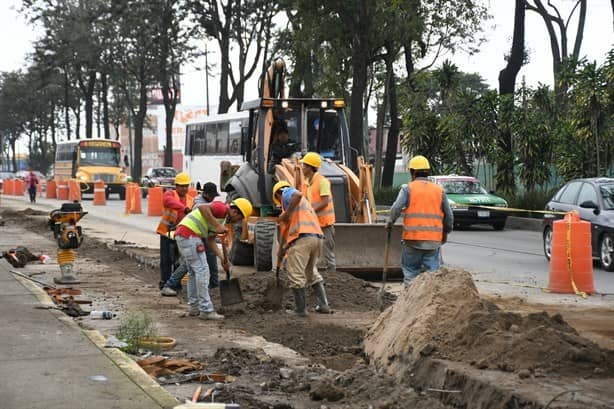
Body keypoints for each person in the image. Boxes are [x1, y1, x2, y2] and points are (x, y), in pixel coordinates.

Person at [174, 198, 253, 320]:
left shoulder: (222, 218)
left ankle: (194, 308)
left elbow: (211, 240)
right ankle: (206, 310)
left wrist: (222, 258)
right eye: (240, 219)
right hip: (189, 235)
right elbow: (202, 207)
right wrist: (217, 225)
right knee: (202, 271)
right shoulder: (222, 208)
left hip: (184, 235)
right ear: (236, 212)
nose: (238, 222)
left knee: (194, 273)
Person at [386, 155, 453, 286]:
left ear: (412, 172)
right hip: (433, 241)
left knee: (410, 273)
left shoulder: (408, 188)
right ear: (428, 172)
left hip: (412, 239)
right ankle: (432, 302)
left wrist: (390, 223)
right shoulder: (439, 190)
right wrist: (446, 232)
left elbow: (396, 208)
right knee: (433, 275)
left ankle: (410, 302)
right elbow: (449, 216)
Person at [273, 181, 331, 316]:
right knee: (310, 272)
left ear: (277, 194)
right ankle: (323, 305)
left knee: (296, 273)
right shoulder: (296, 210)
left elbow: (298, 194)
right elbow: (284, 232)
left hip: (302, 239)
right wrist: (281, 250)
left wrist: (286, 213)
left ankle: (300, 310)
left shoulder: (286, 192)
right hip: (316, 238)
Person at [161, 182, 221, 295]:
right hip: (193, 237)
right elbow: (202, 209)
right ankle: (170, 284)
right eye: (211, 196)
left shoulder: (207, 202)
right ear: (205, 194)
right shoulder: (199, 203)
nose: (213, 198)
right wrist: (217, 224)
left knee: (205, 261)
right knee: (190, 264)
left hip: (201, 236)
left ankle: (213, 285)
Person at [156, 172, 194, 290]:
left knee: (179, 261)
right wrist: (184, 208)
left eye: (186, 186)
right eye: (181, 186)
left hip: (181, 234)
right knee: (166, 260)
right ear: (176, 186)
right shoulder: (170, 194)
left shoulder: (190, 200)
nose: (184, 188)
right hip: (167, 232)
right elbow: (168, 202)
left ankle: (175, 285)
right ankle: (165, 283)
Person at [300, 152, 336, 274]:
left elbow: (325, 201)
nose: (302, 168)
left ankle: (332, 276)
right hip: (312, 224)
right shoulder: (305, 183)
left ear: (311, 167)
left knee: (328, 253)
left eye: (304, 166)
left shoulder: (322, 182)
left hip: (325, 224)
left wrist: (310, 210)